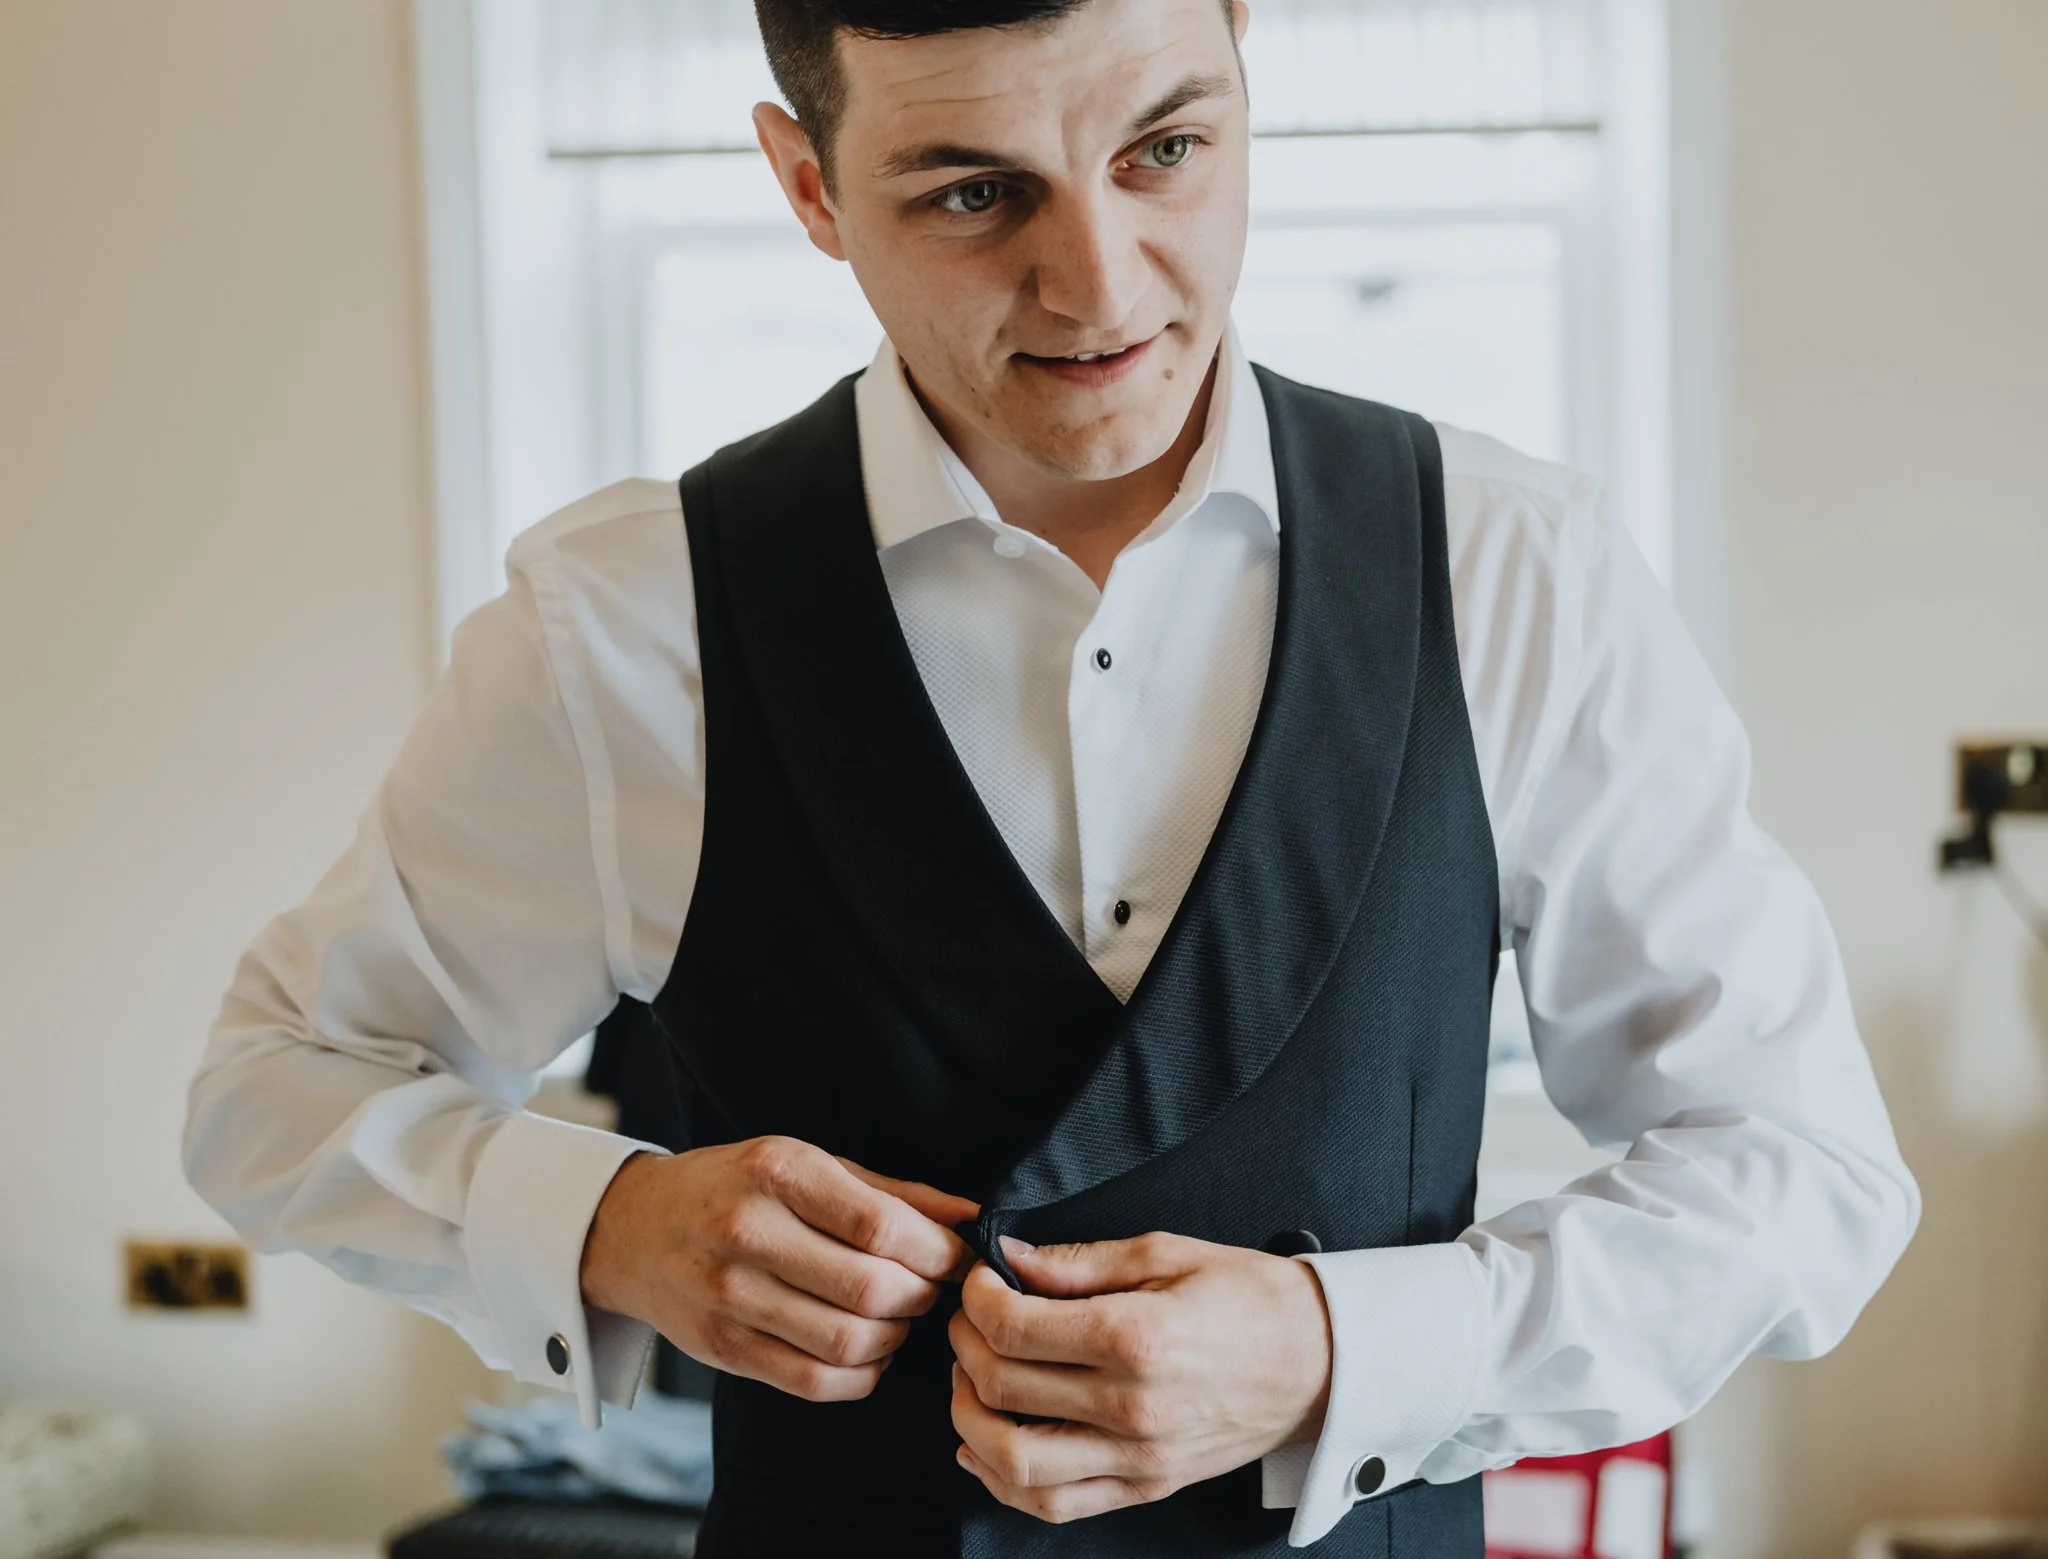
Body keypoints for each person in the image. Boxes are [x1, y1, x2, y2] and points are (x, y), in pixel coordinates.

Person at [182, 0, 1920, 1552]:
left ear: (1244, 61)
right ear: (808, 186)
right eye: (972, 194)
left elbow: (1801, 1168)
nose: (1100, 285)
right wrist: (613, 1223)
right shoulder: (622, 627)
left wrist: (1346, 1349)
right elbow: (273, 1088)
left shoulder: (1515, 567)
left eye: (1166, 151)